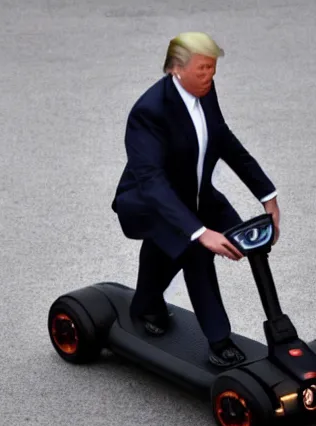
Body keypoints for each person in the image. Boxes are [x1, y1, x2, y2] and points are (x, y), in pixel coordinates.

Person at [111, 32, 281, 367]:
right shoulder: (149, 112)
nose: (210, 76)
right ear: (176, 68)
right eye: (202, 69)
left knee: (250, 244)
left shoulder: (204, 92)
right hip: (151, 204)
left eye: (213, 69)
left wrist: (267, 195)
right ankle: (219, 341)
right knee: (195, 253)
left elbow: (225, 141)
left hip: (197, 196)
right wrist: (201, 232)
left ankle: (146, 303)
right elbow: (153, 183)